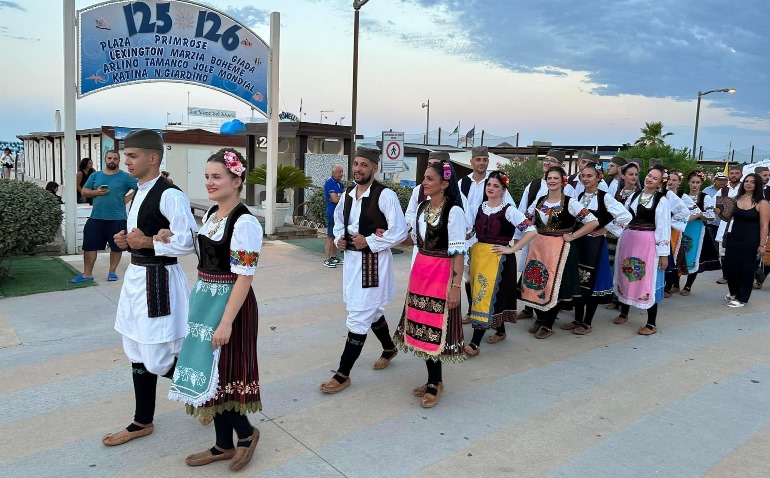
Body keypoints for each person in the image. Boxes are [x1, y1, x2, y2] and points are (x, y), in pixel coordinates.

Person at [167, 149, 262, 470]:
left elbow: (245, 277)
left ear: (237, 181)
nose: (209, 182)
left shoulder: (245, 222)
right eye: (207, 176)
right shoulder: (211, 214)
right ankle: (223, 444)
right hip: (206, 300)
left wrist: (226, 322)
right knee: (212, 373)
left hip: (230, 305)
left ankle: (246, 435)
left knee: (226, 374)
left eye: (217, 176)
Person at [101, 129, 198, 446]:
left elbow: (189, 242)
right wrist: (127, 242)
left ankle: (210, 390)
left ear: (153, 157)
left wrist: (147, 243)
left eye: (132, 156)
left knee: (157, 358)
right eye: (125, 156)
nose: (126, 161)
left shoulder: (170, 195)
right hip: (136, 278)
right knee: (135, 350)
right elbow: (143, 236)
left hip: (159, 282)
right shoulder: (138, 191)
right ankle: (142, 421)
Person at [319, 147, 408, 393]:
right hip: (351, 262)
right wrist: (340, 238)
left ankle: (343, 374)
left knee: (358, 317)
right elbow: (339, 222)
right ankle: (389, 348)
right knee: (371, 310)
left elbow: (400, 231)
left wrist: (369, 241)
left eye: (364, 165)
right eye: (356, 164)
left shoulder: (385, 195)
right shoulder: (347, 194)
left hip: (373, 265)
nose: (358, 169)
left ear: (374, 168)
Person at [393, 160, 466, 408]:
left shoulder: (454, 212)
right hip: (421, 272)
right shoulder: (422, 207)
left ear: (444, 184)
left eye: (430, 179)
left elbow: (458, 252)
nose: (424, 182)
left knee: (434, 327)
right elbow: (415, 240)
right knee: (422, 326)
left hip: (441, 274)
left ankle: (435, 382)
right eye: (424, 178)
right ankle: (434, 379)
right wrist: (388, 237)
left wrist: (455, 287)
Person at [521, 166, 599, 339]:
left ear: (563, 181)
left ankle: (548, 324)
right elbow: (526, 218)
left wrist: (573, 236)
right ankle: (540, 318)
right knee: (536, 282)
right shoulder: (540, 200)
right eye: (549, 178)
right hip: (539, 247)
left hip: (559, 249)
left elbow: (593, 222)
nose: (552, 181)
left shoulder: (570, 202)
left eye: (556, 178)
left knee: (554, 286)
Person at [465, 171, 537, 355]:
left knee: (485, 298)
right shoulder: (480, 207)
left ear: (503, 190)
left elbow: (531, 230)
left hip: (498, 259)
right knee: (484, 296)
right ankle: (501, 331)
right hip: (479, 257)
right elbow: (472, 231)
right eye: (489, 184)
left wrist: (512, 249)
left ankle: (475, 343)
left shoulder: (509, 210)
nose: (491, 188)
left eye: (496, 186)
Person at [560, 162, 631, 334]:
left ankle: (587, 322)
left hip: (594, 245)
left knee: (591, 282)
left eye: (589, 176)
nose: (585, 179)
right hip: (578, 243)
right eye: (583, 176)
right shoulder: (579, 196)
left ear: (598, 177)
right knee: (578, 282)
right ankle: (577, 319)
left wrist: (605, 229)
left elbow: (626, 215)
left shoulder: (605, 198)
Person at [613, 165, 671, 335]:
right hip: (629, 241)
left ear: (660, 183)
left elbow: (663, 227)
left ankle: (651, 323)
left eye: (655, 178)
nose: (649, 179)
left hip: (647, 244)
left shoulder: (661, 200)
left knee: (646, 278)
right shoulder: (634, 195)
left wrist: (663, 254)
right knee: (627, 273)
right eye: (649, 175)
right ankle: (624, 312)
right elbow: (624, 217)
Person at [459, 146, 515, 323]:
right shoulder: (462, 183)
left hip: (489, 241)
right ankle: (472, 310)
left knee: (488, 279)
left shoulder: (494, 181)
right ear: (472, 161)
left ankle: (492, 315)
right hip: (468, 238)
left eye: (484, 160)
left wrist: (509, 238)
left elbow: (510, 208)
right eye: (478, 159)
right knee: (469, 277)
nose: (481, 163)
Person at [69, 150, 138, 283]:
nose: (112, 161)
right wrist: (97, 192)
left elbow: (140, 188)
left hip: (117, 218)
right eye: (109, 158)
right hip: (96, 217)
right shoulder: (96, 175)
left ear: (119, 161)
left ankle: (112, 272)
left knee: (116, 247)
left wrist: (127, 198)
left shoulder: (126, 177)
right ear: (105, 159)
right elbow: (84, 191)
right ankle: (87, 274)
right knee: (89, 246)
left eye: (115, 159)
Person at [516, 149, 564, 319]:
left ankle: (546, 313)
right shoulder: (534, 185)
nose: (547, 163)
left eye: (552, 161)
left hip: (554, 239)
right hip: (533, 236)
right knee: (531, 271)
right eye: (546, 159)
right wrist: (518, 235)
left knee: (548, 273)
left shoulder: (567, 189)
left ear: (560, 166)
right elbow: (523, 210)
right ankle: (529, 306)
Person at [405, 152, 470, 265]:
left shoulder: (455, 208)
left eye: (435, 164)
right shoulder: (421, 202)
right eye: (429, 164)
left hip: (442, 263)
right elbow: (410, 216)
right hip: (420, 257)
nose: (424, 182)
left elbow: (465, 230)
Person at [723, 173, 770, 307]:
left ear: (758, 185)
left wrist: (762, 245)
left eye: (752, 182)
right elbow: (727, 217)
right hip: (734, 237)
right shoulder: (736, 198)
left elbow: (764, 225)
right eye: (746, 181)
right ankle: (734, 292)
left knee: (746, 269)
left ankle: (742, 298)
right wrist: (719, 211)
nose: (748, 184)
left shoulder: (762, 203)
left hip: (751, 240)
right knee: (730, 266)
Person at [673, 171, 720, 295]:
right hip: (683, 228)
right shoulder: (683, 197)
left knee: (693, 255)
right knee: (679, 254)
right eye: (692, 182)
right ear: (688, 183)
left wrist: (698, 214)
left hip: (697, 229)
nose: (694, 185)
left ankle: (688, 286)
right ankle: (675, 284)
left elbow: (711, 216)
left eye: (697, 182)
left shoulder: (705, 198)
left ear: (701, 183)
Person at [661, 170, 689, 297]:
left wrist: (669, 222)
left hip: (673, 231)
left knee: (670, 256)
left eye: (674, 180)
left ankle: (669, 286)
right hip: (658, 230)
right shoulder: (659, 192)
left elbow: (687, 212)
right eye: (669, 179)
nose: (670, 182)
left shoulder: (680, 196)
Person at [714, 165, 743, 284]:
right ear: (728, 175)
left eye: (737, 173)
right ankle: (726, 276)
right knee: (722, 251)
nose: (734, 175)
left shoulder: (745, 188)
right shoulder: (723, 190)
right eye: (732, 173)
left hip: (741, 224)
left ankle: (739, 276)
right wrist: (719, 211)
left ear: (741, 175)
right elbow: (714, 203)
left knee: (739, 251)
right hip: (725, 223)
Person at [323, 164, 345, 268]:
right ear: (333, 172)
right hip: (332, 213)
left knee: (337, 235)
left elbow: (345, 196)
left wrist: (339, 196)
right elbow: (335, 199)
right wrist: (341, 196)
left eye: (342, 172)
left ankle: (333, 256)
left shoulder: (340, 184)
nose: (341, 174)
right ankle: (327, 259)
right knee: (330, 236)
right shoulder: (329, 183)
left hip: (340, 214)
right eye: (339, 172)